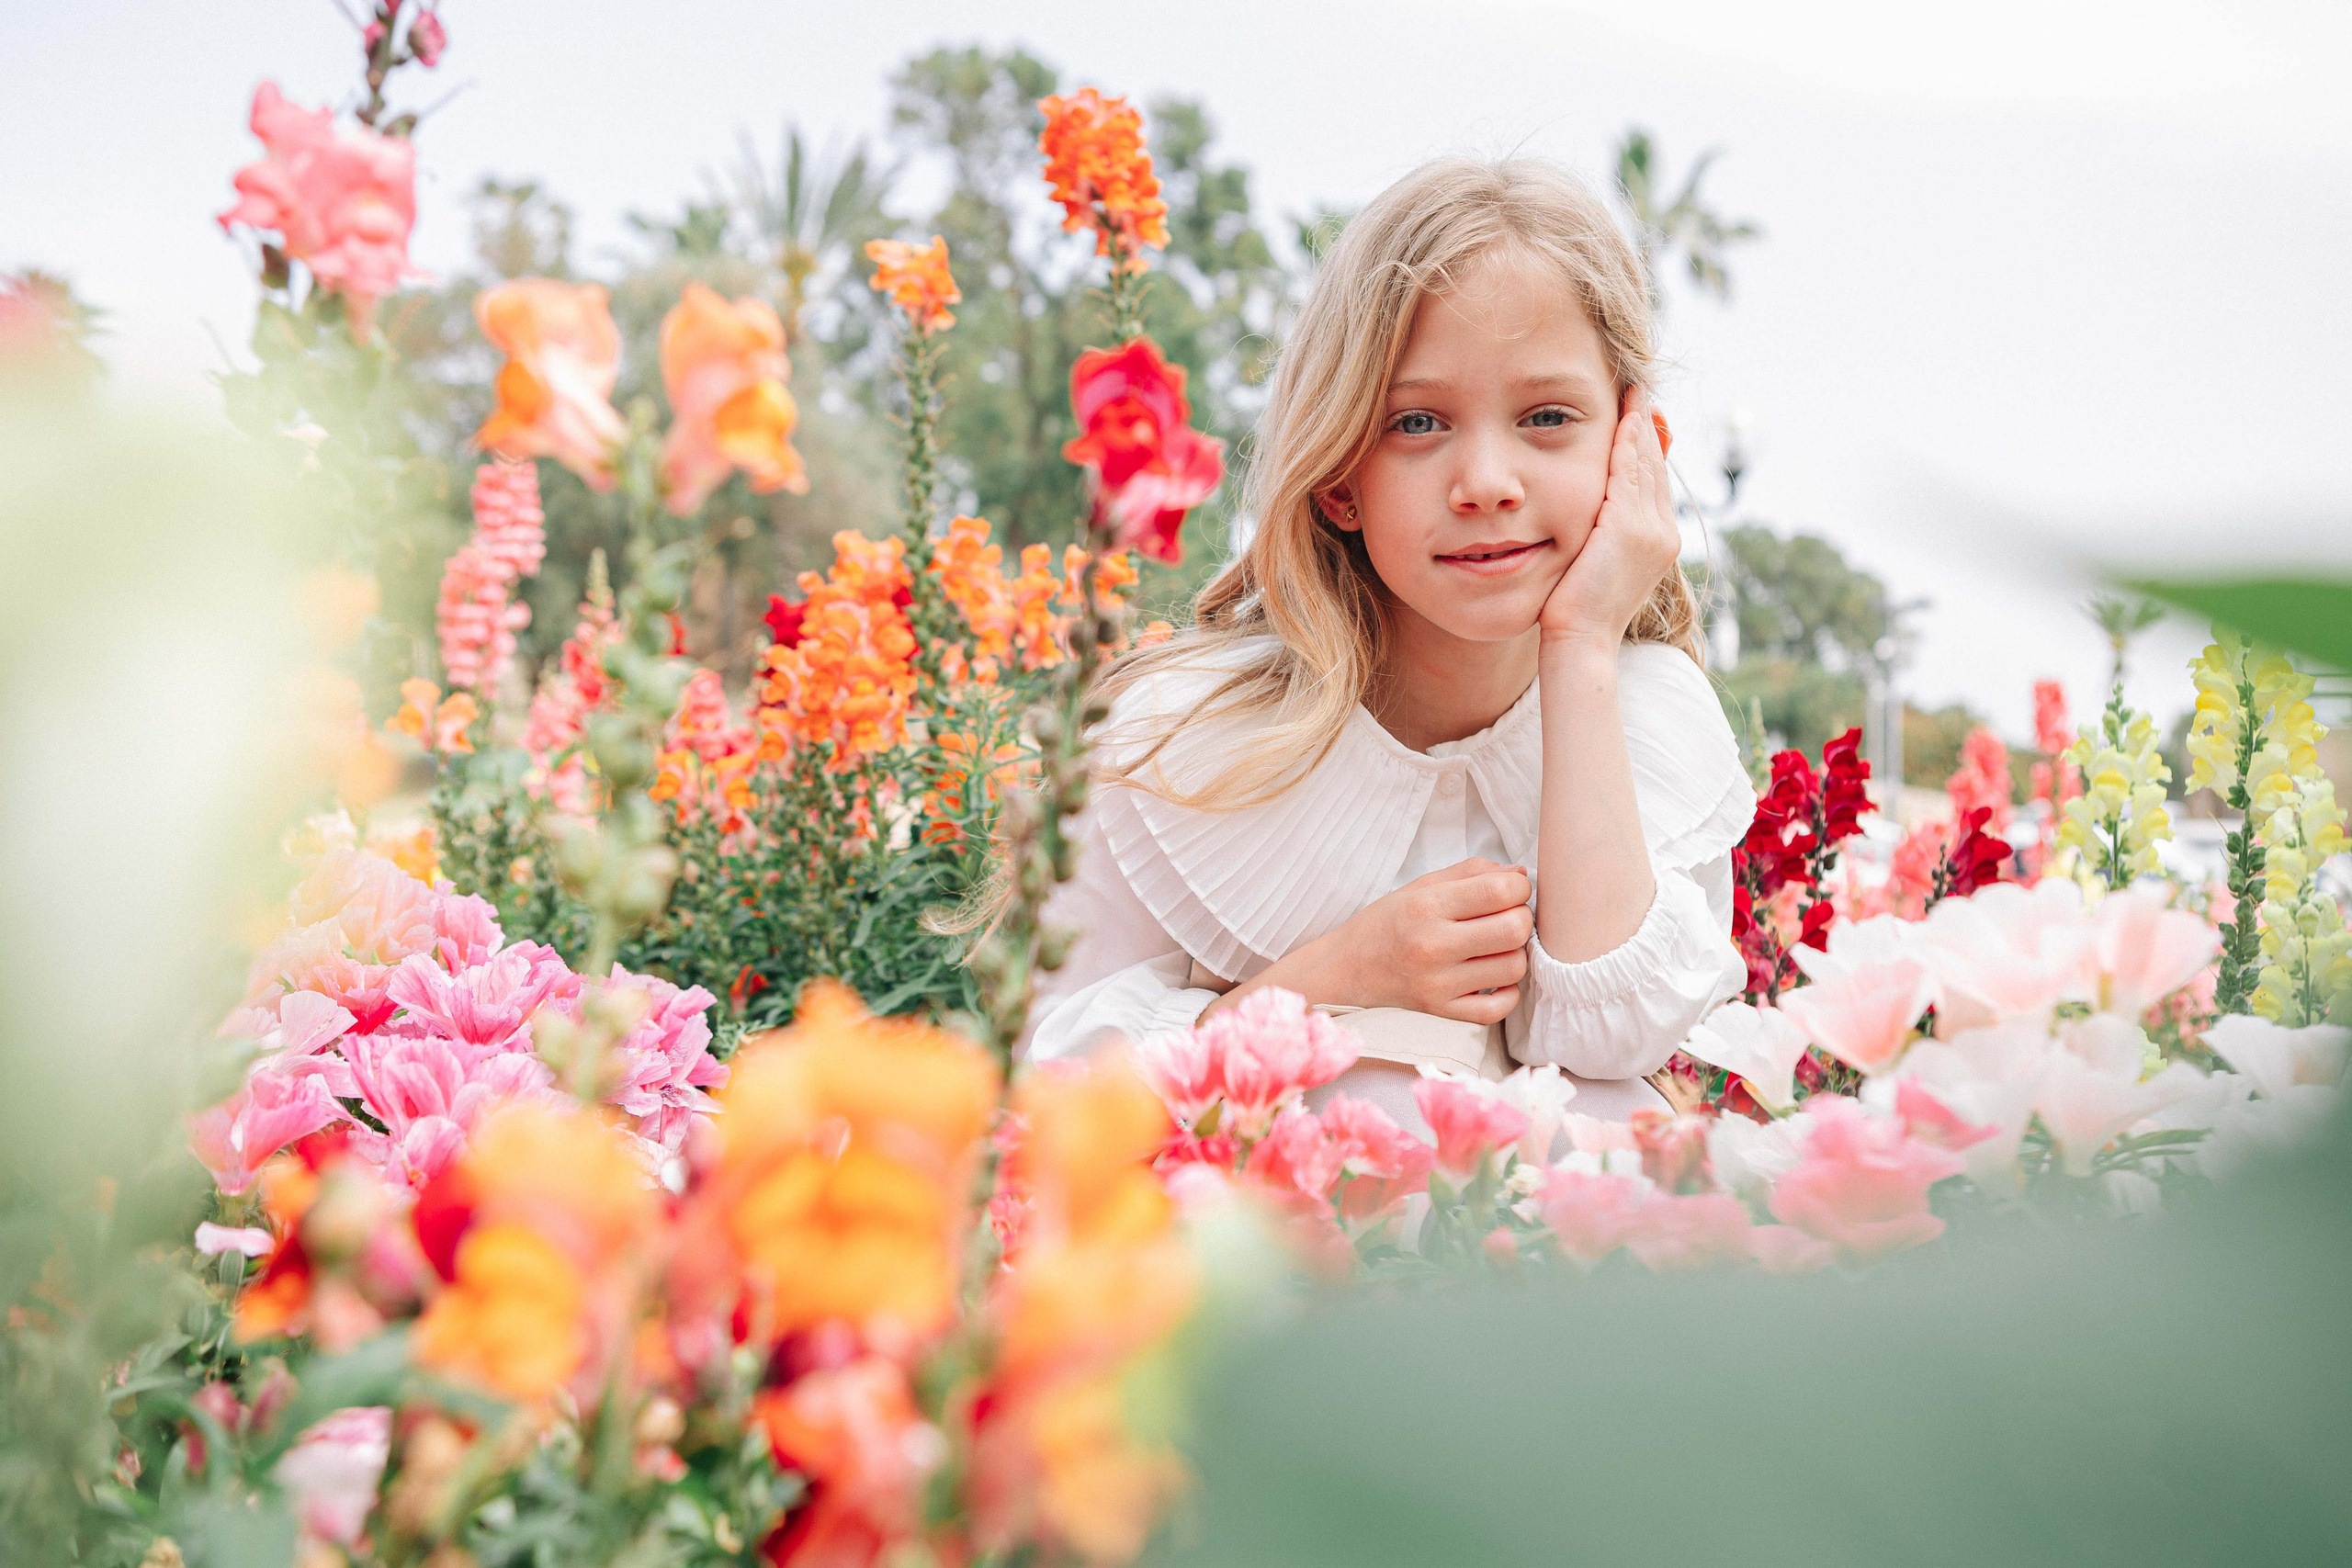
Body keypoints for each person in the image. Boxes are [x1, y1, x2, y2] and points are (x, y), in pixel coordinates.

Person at [1023, 156, 1754, 1122]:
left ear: (1633, 450)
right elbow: (1054, 1119)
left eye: (1546, 417)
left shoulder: (1657, 721)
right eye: (1417, 422)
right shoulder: (1169, 745)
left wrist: (1579, 646)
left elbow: (1605, 1033)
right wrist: (1337, 973)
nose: (1486, 479)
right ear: (1338, 477)